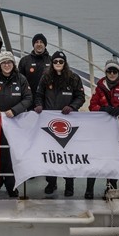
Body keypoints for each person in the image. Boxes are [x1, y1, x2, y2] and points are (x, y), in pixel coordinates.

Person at [33, 50, 86, 197]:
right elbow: (39, 95)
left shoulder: (73, 78)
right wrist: (39, 105)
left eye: (60, 62)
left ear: (65, 63)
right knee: (51, 155)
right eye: (55, 61)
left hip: (68, 124)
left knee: (67, 155)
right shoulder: (46, 77)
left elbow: (80, 97)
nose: (58, 64)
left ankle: (69, 185)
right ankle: (51, 182)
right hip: (49, 123)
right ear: (52, 63)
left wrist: (73, 107)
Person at [85, 57, 119, 199]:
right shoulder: (100, 87)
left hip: (117, 129)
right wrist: (103, 109)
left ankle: (111, 189)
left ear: (118, 72)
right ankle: (89, 189)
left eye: (115, 71)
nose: (112, 73)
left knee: (113, 159)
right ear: (106, 72)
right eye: (109, 71)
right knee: (95, 158)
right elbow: (92, 105)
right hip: (101, 130)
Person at [0, 50, 32, 197]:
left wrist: (15, 110)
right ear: (0, 65)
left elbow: (28, 98)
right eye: (4, 62)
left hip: (16, 123)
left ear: (13, 64)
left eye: (9, 62)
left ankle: (11, 184)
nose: (7, 65)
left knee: (12, 153)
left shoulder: (21, 79)